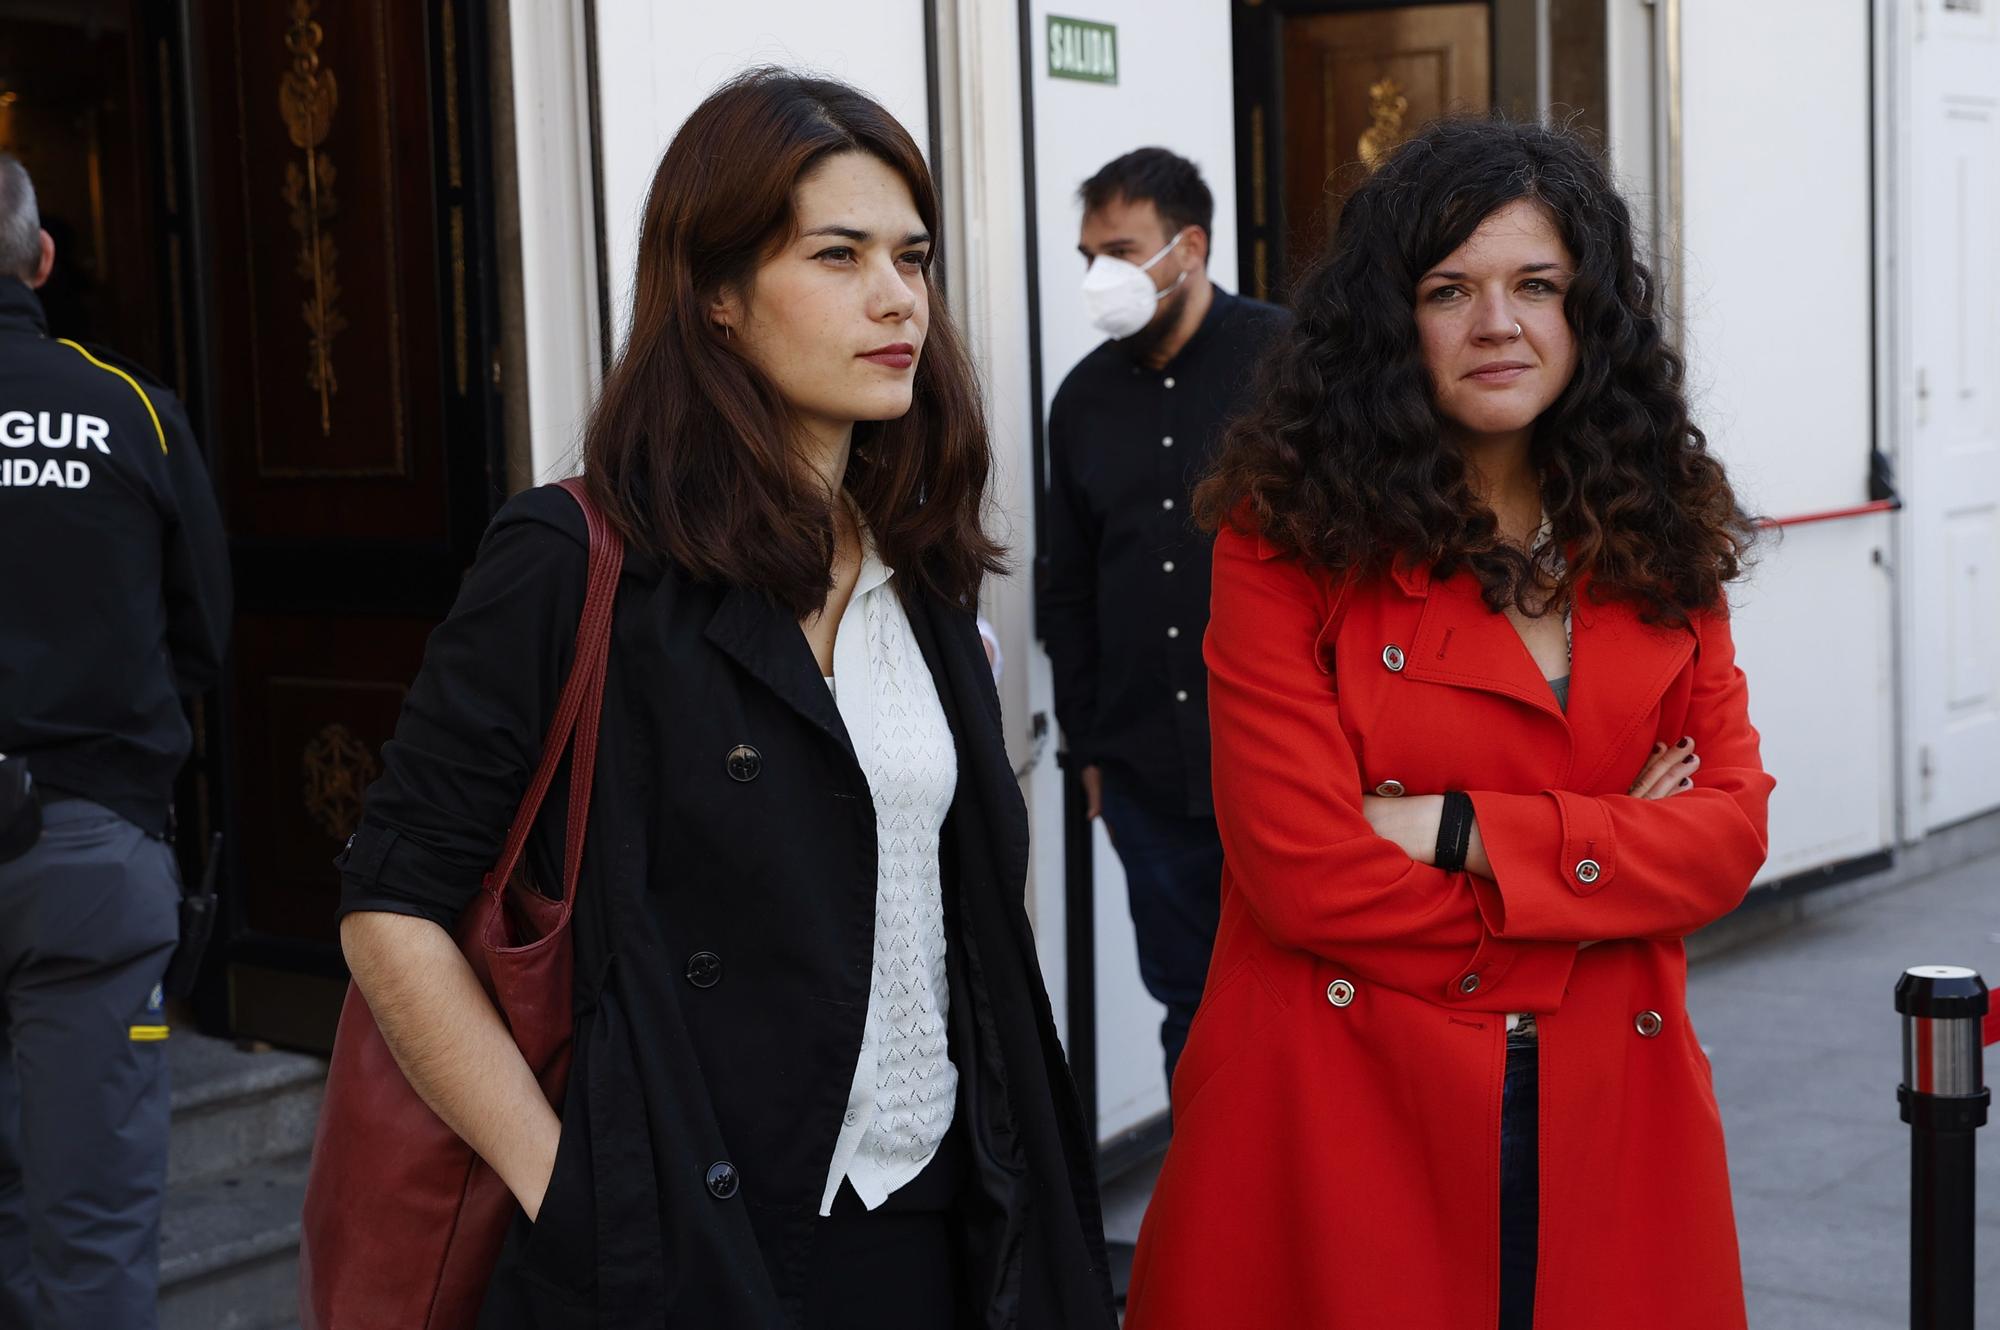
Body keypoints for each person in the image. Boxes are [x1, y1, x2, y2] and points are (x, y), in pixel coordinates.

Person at [333, 70, 1115, 1328]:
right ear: (715, 293)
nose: (894, 298)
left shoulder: (919, 572)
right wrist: (574, 1193)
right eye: (838, 254)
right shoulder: (572, 558)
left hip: (941, 1210)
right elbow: (390, 909)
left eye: (911, 258)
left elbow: (956, 892)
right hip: (683, 1235)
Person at [1123, 119, 1775, 1330]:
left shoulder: (1662, 530)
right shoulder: (1282, 539)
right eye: (1447, 289)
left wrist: (1460, 825)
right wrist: (1596, 879)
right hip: (1338, 1111)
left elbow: (1727, 833)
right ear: (1388, 323)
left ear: (1589, 315)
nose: (1497, 323)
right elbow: (1304, 875)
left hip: (1610, 1107)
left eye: (1536, 284)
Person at [0, 153, 231, 1329]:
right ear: (41, 259)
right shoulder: (130, 408)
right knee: (92, 1241)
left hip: (83, 845)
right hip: (91, 854)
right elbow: (207, 630)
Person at [1041, 148, 1290, 1091]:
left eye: (1120, 249)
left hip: (1279, 760)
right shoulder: (1083, 398)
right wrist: (1089, 752)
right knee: (1190, 1009)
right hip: (1145, 774)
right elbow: (1070, 589)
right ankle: (1213, 1233)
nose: (1098, 275)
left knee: (1309, 1001)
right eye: (1086, 254)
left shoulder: (1288, 363)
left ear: (1189, 247)